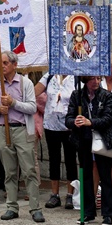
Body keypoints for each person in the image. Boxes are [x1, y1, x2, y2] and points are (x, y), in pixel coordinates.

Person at [0, 50, 43, 222]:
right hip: (4, 130)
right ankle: (11, 206)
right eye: (1, 63)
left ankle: (35, 208)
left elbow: (32, 107)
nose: (2, 66)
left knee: (29, 171)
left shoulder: (25, 83)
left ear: (14, 65)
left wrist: (13, 103)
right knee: (9, 172)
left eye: (5, 63)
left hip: (22, 130)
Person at [66, 75, 112, 225]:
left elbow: (108, 118)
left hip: (102, 138)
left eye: (98, 78)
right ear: (85, 80)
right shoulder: (77, 95)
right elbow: (68, 118)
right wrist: (74, 122)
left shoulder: (107, 95)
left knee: (105, 175)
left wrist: (90, 122)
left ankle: (108, 214)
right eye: (92, 79)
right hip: (83, 139)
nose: (96, 82)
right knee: (86, 175)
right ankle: (88, 211)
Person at [41, 73, 78, 210]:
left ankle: (70, 194)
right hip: (51, 124)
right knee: (54, 158)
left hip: (69, 125)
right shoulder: (50, 76)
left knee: (70, 159)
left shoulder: (76, 77)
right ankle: (54, 194)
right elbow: (35, 91)